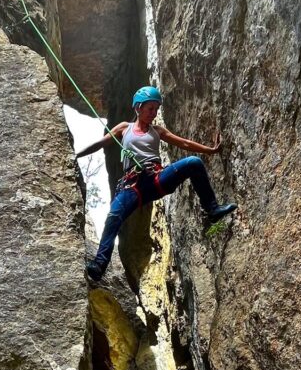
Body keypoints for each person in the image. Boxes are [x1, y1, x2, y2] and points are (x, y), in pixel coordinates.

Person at [77, 86, 237, 282]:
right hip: (132, 186)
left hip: (156, 179)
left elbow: (184, 144)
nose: (154, 113)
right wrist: (77, 155)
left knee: (194, 163)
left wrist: (211, 150)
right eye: (150, 109)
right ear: (138, 108)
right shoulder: (124, 128)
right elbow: (101, 143)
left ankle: (212, 209)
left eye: (156, 109)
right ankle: (99, 266)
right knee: (113, 218)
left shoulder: (157, 131)